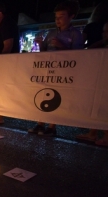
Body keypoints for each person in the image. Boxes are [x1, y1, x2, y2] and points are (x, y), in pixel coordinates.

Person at [28, 1, 83, 136]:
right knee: (42, 94)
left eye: (61, 16)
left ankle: (52, 126)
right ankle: (40, 124)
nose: (57, 19)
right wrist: (40, 45)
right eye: (56, 16)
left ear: (71, 16)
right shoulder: (51, 33)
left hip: (63, 72)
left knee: (56, 97)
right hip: (47, 70)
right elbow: (44, 52)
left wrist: (61, 46)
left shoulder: (75, 34)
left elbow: (80, 56)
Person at [75, 21, 108, 146]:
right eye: (104, 32)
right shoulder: (102, 46)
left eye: (107, 32)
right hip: (100, 80)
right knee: (96, 104)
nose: (105, 34)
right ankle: (92, 133)